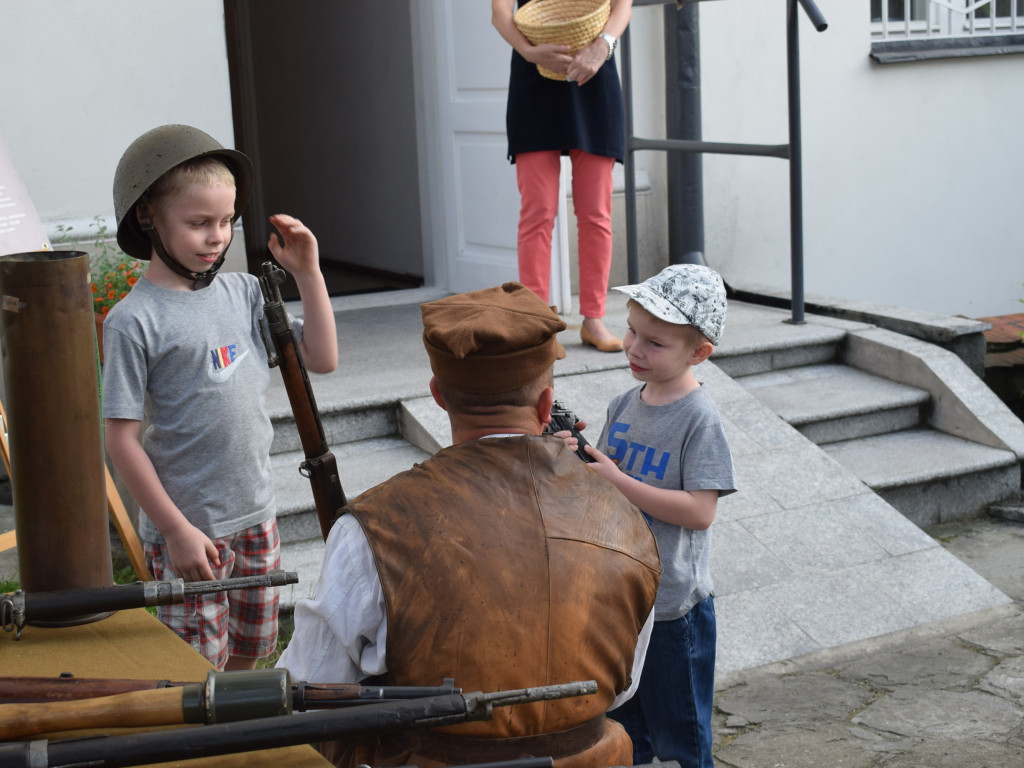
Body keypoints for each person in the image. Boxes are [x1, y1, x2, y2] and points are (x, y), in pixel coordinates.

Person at [277, 282, 661, 768]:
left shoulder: (373, 528)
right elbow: (621, 690)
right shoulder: (625, 518)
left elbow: (306, 688)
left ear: (438, 396)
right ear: (545, 406)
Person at [102, 124, 338, 671]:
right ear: (147, 218)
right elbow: (121, 440)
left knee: (251, 654)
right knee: (197, 666)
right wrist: (174, 529)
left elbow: (321, 359)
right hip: (189, 529)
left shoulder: (246, 293)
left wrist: (310, 273)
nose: (217, 236)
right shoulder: (132, 321)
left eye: (227, 221)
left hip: (257, 514)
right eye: (198, 223)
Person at [571, 264, 736, 768]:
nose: (635, 349)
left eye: (655, 343)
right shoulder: (624, 402)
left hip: (671, 610)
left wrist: (617, 480)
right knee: (626, 728)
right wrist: (573, 454)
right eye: (632, 332)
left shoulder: (698, 418)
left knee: (681, 733)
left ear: (698, 352)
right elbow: (600, 481)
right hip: (621, 600)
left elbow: (700, 512)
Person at [491, 0, 633, 353]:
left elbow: (622, 7)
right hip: (533, 79)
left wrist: (602, 46)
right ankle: (536, 324)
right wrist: (529, 52)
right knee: (537, 211)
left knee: (596, 212)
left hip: (595, 76)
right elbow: (499, 12)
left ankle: (593, 319)